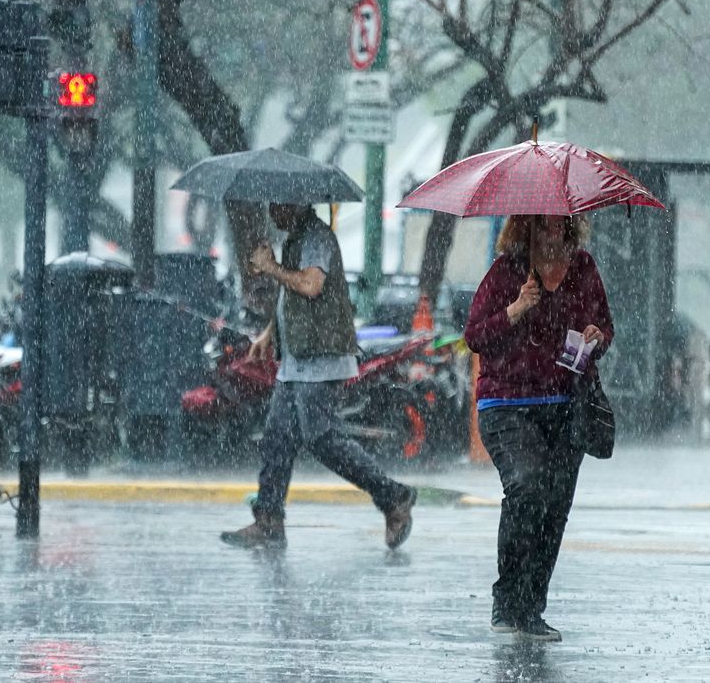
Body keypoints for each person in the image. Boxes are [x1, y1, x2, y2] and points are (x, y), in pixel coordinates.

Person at [221, 202, 417, 551]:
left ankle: (393, 496)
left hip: (320, 357)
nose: (271, 212)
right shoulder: (295, 240)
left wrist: (271, 267)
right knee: (277, 438)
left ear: (295, 203)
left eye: (277, 204)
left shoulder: (317, 239)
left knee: (322, 438)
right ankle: (268, 519)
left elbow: (310, 285)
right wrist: (270, 331)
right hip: (296, 359)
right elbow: (291, 297)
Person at [463, 214, 613, 642]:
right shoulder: (507, 271)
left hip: (567, 405)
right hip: (507, 404)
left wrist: (595, 336)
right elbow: (474, 336)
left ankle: (530, 607)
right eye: (543, 226)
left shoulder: (583, 269)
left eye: (560, 226)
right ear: (525, 229)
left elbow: (606, 330)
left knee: (555, 507)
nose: (553, 234)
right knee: (528, 485)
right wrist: (515, 309)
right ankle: (507, 599)